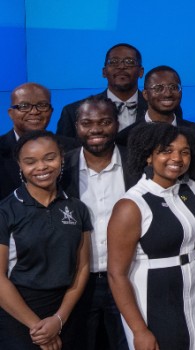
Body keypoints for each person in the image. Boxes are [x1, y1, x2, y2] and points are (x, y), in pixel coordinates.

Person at [108, 122, 195, 350]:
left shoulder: (191, 189)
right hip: (155, 298)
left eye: (184, 152)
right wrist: (139, 330)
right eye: (166, 151)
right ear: (148, 156)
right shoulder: (131, 205)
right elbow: (116, 275)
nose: (177, 158)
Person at [0, 131, 92, 350]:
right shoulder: (6, 211)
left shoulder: (77, 208)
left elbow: (83, 267)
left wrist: (59, 319)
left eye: (49, 158)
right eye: (30, 162)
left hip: (67, 312)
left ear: (62, 158)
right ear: (20, 166)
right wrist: (40, 328)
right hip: (19, 314)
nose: (41, 167)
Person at [61, 95, 135, 350]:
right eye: (87, 122)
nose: (95, 129)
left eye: (105, 122)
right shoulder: (60, 170)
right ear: (76, 126)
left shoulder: (136, 165)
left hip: (130, 277)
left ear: (117, 124)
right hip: (77, 283)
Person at [4, 83, 81, 198]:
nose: (34, 112)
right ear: (11, 113)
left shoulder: (73, 147)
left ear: (51, 111)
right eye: (24, 106)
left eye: (42, 105)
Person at [57, 43, 147, 138]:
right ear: (104, 72)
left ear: (141, 72)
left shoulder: (155, 109)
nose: (121, 66)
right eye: (113, 62)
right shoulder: (73, 112)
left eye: (129, 62)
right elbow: (65, 149)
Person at [117, 66, 195, 149]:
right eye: (158, 88)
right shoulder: (126, 137)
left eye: (173, 87)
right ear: (145, 94)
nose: (168, 94)